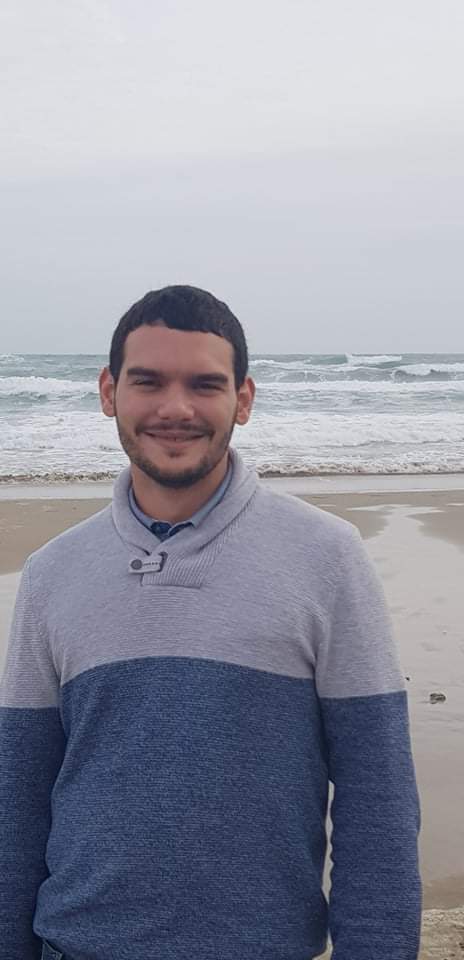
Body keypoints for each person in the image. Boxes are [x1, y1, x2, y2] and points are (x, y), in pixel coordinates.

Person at [0, 285, 421, 960]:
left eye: (205, 384)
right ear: (109, 392)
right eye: (147, 382)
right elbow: (19, 798)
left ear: (243, 399)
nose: (175, 408)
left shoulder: (327, 556)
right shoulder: (52, 571)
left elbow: (379, 796)